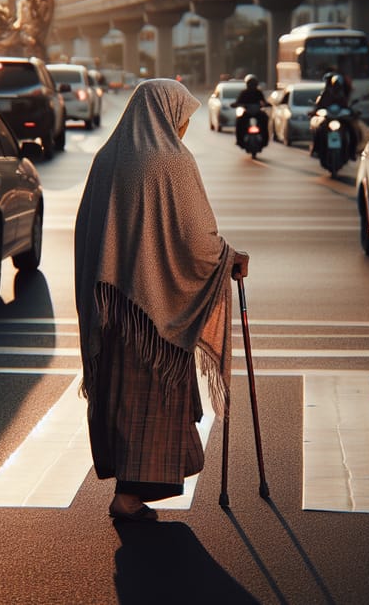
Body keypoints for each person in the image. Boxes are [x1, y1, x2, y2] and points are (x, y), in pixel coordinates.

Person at [75, 78, 249, 522]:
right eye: (183, 117)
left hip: (113, 311)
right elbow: (196, 239)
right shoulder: (172, 161)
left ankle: (127, 491)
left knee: (121, 401)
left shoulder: (106, 158)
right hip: (156, 320)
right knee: (150, 403)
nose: (186, 126)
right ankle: (130, 496)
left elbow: (87, 235)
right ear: (167, 114)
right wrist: (228, 258)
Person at [309, 71, 357, 159]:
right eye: (335, 85)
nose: (336, 87)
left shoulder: (343, 95)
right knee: (319, 130)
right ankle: (315, 149)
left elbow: (347, 106)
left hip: (340, 118)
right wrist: (314, 112)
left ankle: (351, 152)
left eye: (338, 85)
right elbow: (319, 106)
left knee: (352, 131)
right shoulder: (325, 94)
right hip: (328, 118)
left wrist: (352, 113)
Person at [231, 74, 269, 147]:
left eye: (253, 84)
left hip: (258, 112)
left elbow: (263, 101)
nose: (252, 86)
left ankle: (265, 140)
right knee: (239, 122)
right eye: (250, 84)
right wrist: (236, 104)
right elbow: (238, 101)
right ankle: (240, 140)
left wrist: (267, 104)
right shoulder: (244, 93)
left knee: (265, 119)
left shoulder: (258, 92)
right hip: (247, 112)